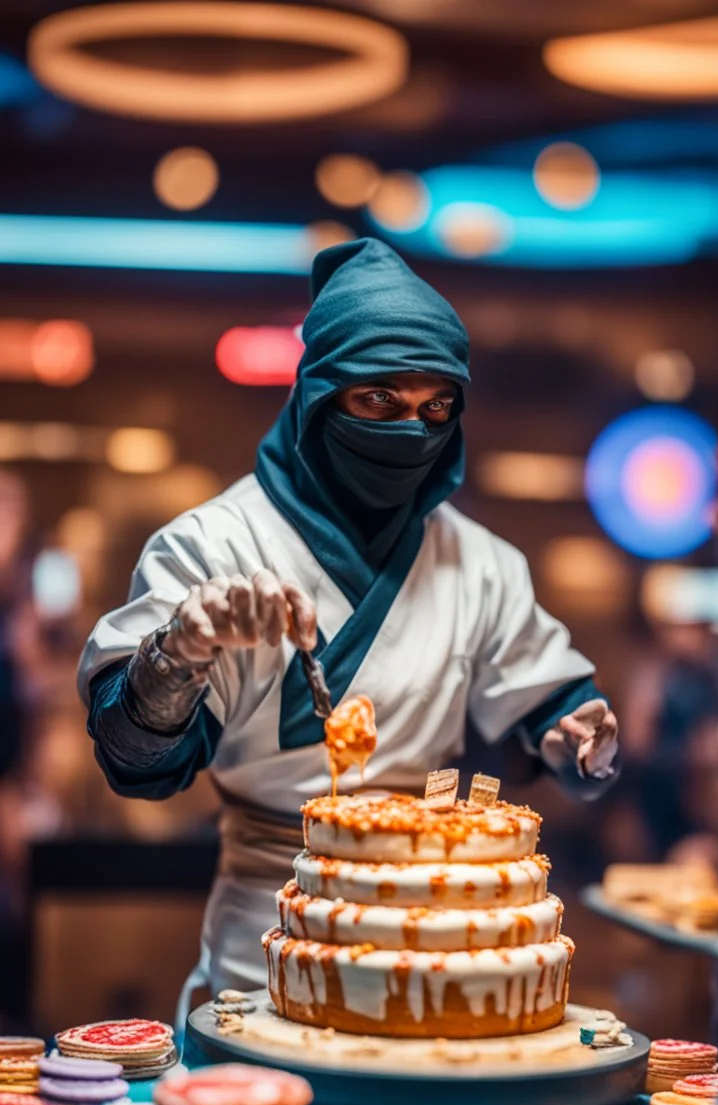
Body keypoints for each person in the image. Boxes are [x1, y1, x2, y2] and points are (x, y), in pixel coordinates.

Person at [79, 238, 619, 1018]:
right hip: (266, 929)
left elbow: (551, 709)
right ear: (317, 398)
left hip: (443, 936)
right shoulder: (214, 544)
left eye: (436, 408)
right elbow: (134, 756)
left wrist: (578, 740)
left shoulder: (482, 562)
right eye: (379, 403)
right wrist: (181, 651)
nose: (412, 430)